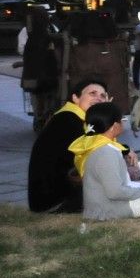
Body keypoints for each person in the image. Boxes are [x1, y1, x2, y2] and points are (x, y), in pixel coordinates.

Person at [71, 102, 140, 220]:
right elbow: (115, 193)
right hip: (109, 210)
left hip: (109, 204)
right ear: (115, 126)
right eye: (123, 119)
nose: (124, 122)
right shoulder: (105, 153)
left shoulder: (99, 146)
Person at [27, 78, 110, 213]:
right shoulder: (68, 120)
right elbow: (95, 158)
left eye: (103, 96)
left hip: (53, 198)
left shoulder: (79, 120)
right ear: (75, 98)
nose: (98, 98)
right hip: (55, 202)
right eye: (92, 94)